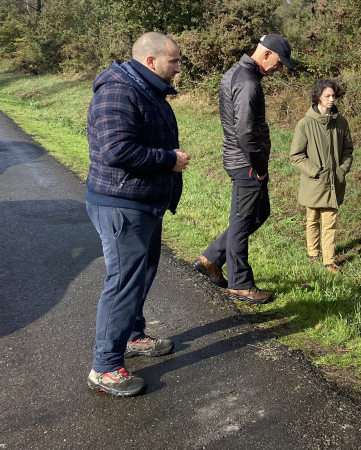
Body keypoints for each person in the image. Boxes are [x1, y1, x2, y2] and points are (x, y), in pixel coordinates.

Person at [85, 32, 190, 397]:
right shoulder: (119, 90)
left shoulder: (143, 86)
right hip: (120, 203)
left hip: (143, 202)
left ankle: (132, 335)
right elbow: (117, 150)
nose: (178, 68)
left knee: (141, 275)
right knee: (123, 283)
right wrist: (169, 160)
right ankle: (105, 367)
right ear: (151, 61)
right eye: (174, 61)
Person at [193, 34, 295, 304]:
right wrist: (259, 166)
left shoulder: (235, 74)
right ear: (266, 54)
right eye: (279, 61)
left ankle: (212, 258)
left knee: (260, 213)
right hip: (247, 163)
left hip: (240, 160)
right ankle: (240, 284)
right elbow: (245, 130)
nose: (280, 68)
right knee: (242, 222)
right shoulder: (249, 82)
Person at [289, 79, 354, 274]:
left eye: (333, 95)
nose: (331, 99)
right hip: (314, 183)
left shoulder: (341, 122)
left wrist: (341, 170)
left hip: (335, 182)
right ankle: (312, 254)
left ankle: (329, 261)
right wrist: (315, 171)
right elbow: (296, 156)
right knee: (312, 219)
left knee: (330, 223)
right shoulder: (305, 124)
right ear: (318, 96)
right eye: (327, 95)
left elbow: (348, 150)